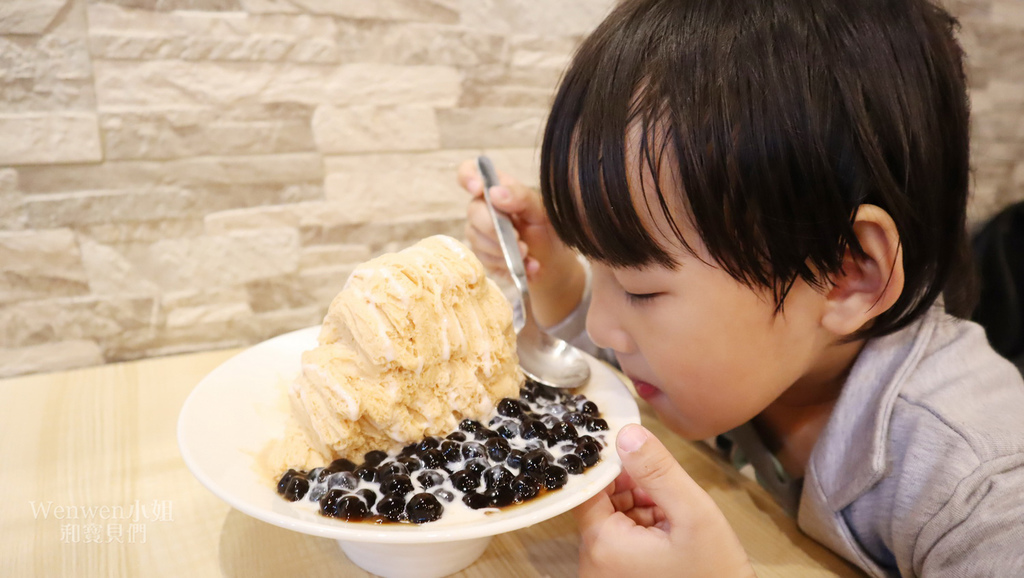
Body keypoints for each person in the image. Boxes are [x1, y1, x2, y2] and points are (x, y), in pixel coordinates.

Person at [456, 0, 1024, 575]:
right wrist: (551, 273)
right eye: (599, 265)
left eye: (640, 290)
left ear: (847, 274)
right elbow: (603, 356)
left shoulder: (980, 482)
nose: (603, 326)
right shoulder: (759, 350)